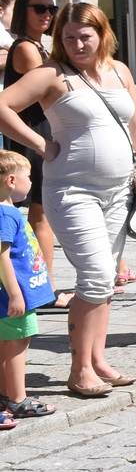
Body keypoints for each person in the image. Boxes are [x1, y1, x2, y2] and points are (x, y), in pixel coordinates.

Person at [0, 3, 136, 396]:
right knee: (93, 277)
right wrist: (42, 144)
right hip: (72, 192)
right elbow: (2, 105)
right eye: (68, 37)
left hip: (117, 192)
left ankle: (97, 360)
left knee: (106, 279)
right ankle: (79, 371)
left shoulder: (119, 70)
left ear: (102, 34)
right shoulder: (52, 74)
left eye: (85, 36)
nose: (77, 44)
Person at [3, 0, 64, 310]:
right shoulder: (27, 49)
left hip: (38, 131)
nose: (47, 14)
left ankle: (44, 283)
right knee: (40, 212)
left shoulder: (40, 47)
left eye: (51, 8)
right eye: (38, 8)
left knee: (42, 211)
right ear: (23, 11)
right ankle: (47, 287)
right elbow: (53, 85)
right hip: (32, 135)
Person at [0, 149, 53, 423]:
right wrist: (15, 294)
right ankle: (18, 399)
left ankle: (6, 392)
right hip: (14, 297)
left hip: (15, 295)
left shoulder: (9, 211)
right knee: (17, 343)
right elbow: (2, 256)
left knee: (9, 342)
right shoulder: (5, 215)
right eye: (28, 177)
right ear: (11, 181)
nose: (31, 182)